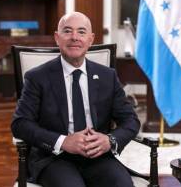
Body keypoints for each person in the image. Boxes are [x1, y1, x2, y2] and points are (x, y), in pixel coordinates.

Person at [11, 12, 139, 187]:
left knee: (122, 184)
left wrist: (109, 140)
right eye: (67, 31)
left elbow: (131, 120)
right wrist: (63, 141)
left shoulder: (107, 76)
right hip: (54, 159)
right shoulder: (37, 77)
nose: (74, 37)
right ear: (57, 38)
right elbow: (20, 124)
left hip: (97, 157)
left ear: (91, 39)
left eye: (81, 32)